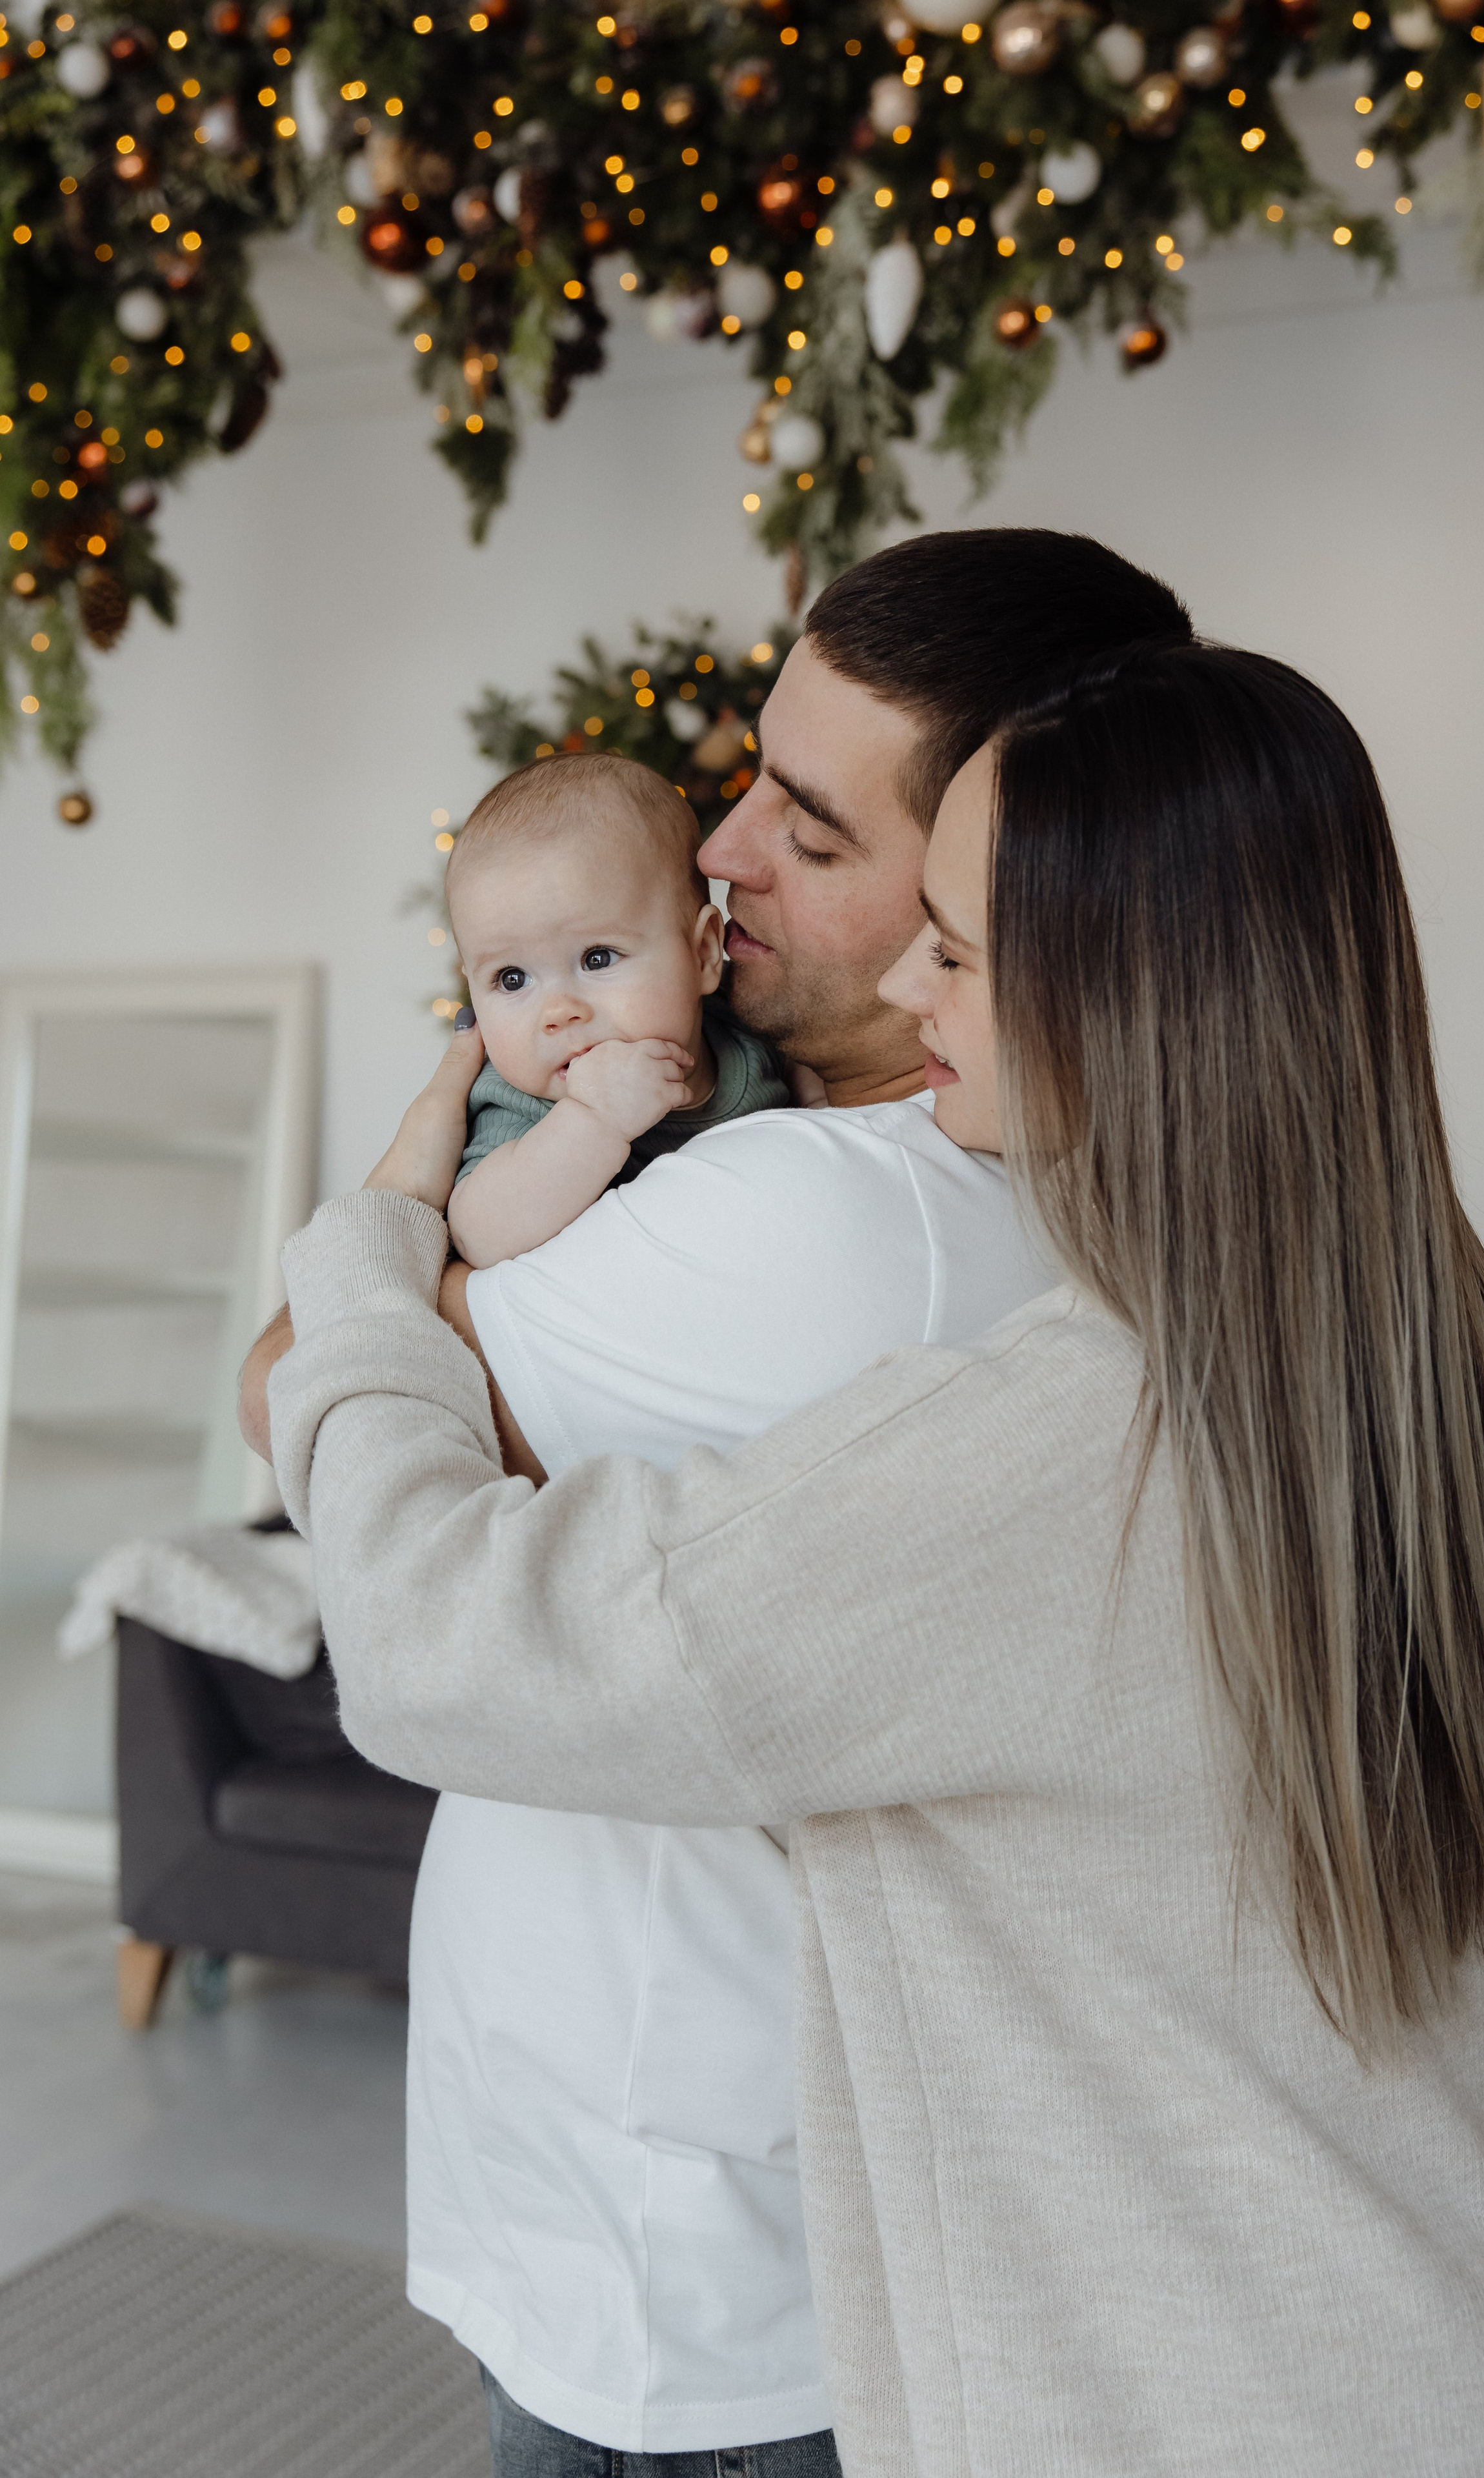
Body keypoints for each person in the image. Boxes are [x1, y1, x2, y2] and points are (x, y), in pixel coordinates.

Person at [266, 636, 1484, 2475]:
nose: (916, 982)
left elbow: (442, 1646)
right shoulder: (1414, 1319)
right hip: (1457, 2366)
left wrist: (365, 1254)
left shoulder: (1068, 1432)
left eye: (962, 947)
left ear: (1126, 991)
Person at [241, 530, 1196, 2473]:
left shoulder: (838, 1218)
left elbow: (291, 1398)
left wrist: (402, 1188)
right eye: (750, 773)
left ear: (999, 883)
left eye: (814, 833)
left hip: (702, 2271)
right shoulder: (825, 1153)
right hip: (667, 2200)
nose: (721, 851)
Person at [443, 749, 788, 1269]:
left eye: (597, 958)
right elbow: (479, 1235)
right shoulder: (528, 1107)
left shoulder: (744, 1028)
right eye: (511, 979)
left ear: (701, 954)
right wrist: (592, 1121)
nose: (557, 1012)